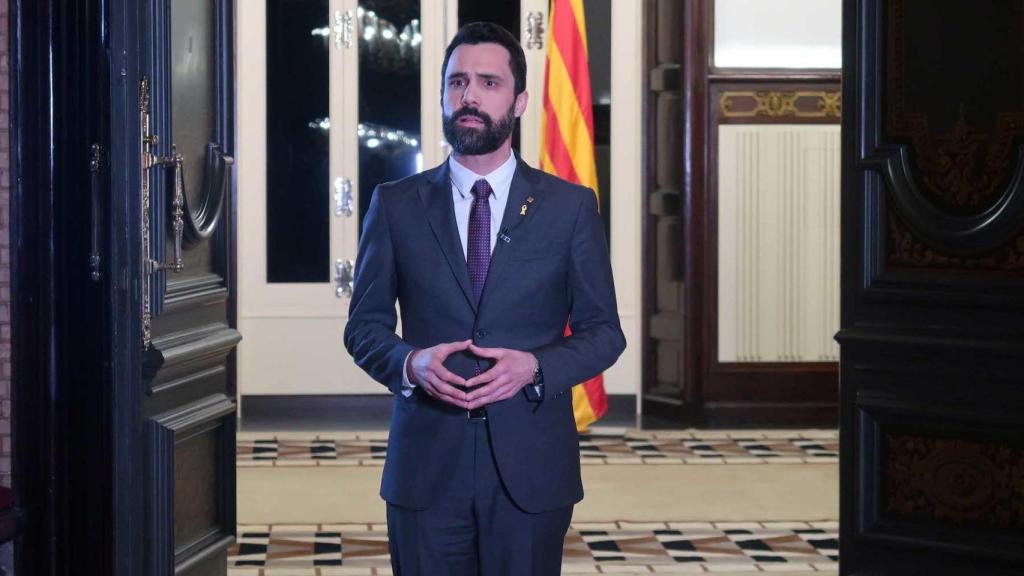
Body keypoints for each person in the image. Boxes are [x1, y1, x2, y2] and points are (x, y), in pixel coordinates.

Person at [344, 22, 626, 576]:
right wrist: (410, 361)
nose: (469, 96)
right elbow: (363, 328)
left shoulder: (569, 208)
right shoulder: (395, 204)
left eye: (488, 83)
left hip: (531, 470)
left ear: (519, 101)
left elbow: (604, 332)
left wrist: (536, 367)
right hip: (425, 467)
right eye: (457, 83)